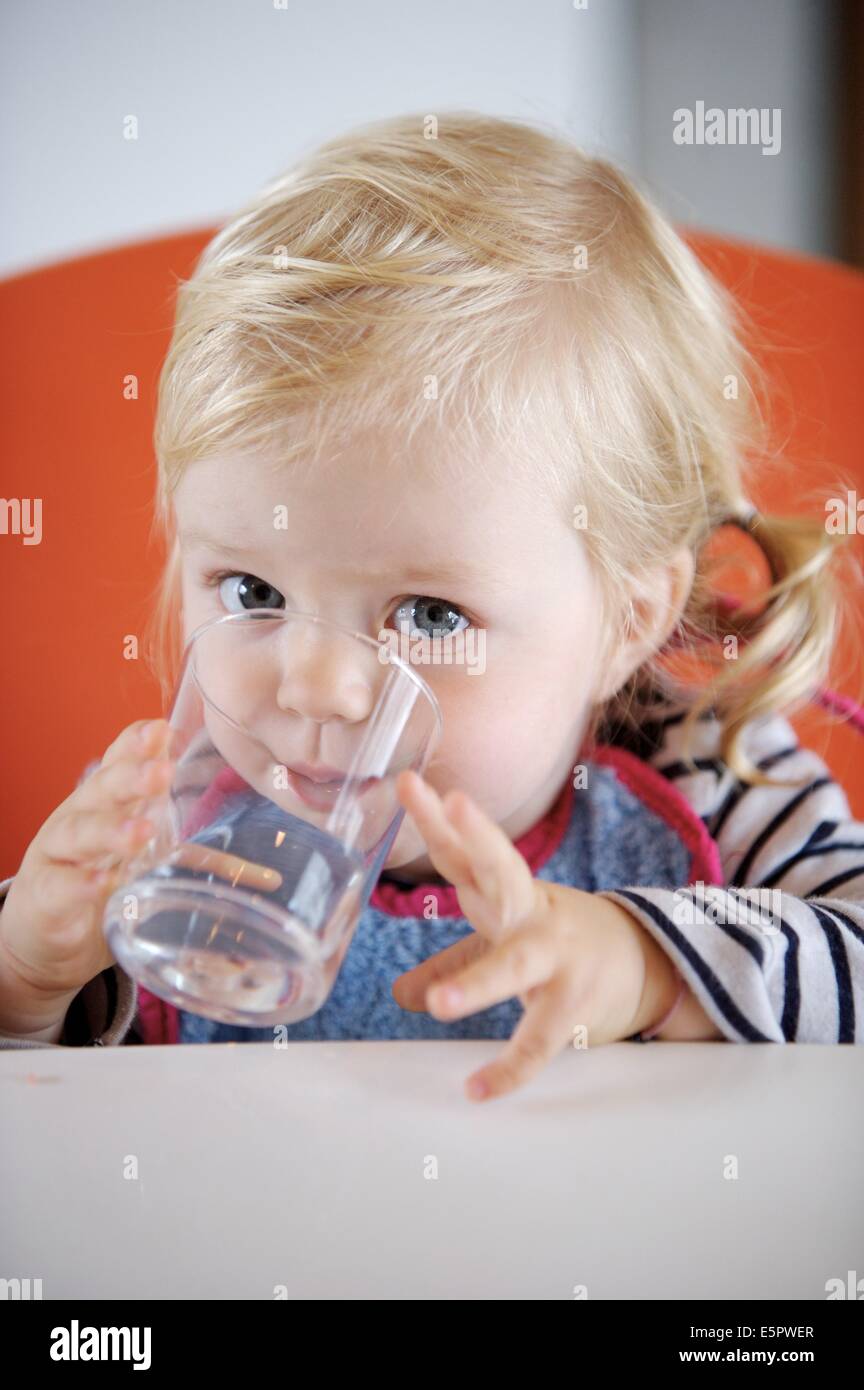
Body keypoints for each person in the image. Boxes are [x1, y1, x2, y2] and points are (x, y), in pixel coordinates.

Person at [2, 112, 863, 1103]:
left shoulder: (716, 789)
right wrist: (27, 978)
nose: (317, 685)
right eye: (255, 591)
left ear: (629, 620)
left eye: (431, 615)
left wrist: (646, 965)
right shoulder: (165, 835)